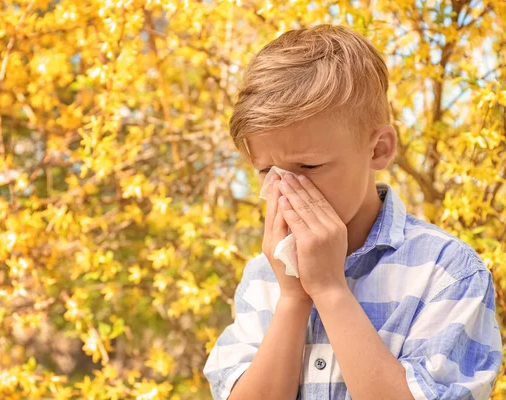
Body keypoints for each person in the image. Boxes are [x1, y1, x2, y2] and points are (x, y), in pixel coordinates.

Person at [203, 24, 503, 400]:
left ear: (378, 150)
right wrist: (294, 298)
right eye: (267, 171)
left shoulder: (447, 272)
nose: (286, 190)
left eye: (309, 168)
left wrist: (329, 290)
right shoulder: (264, 277)